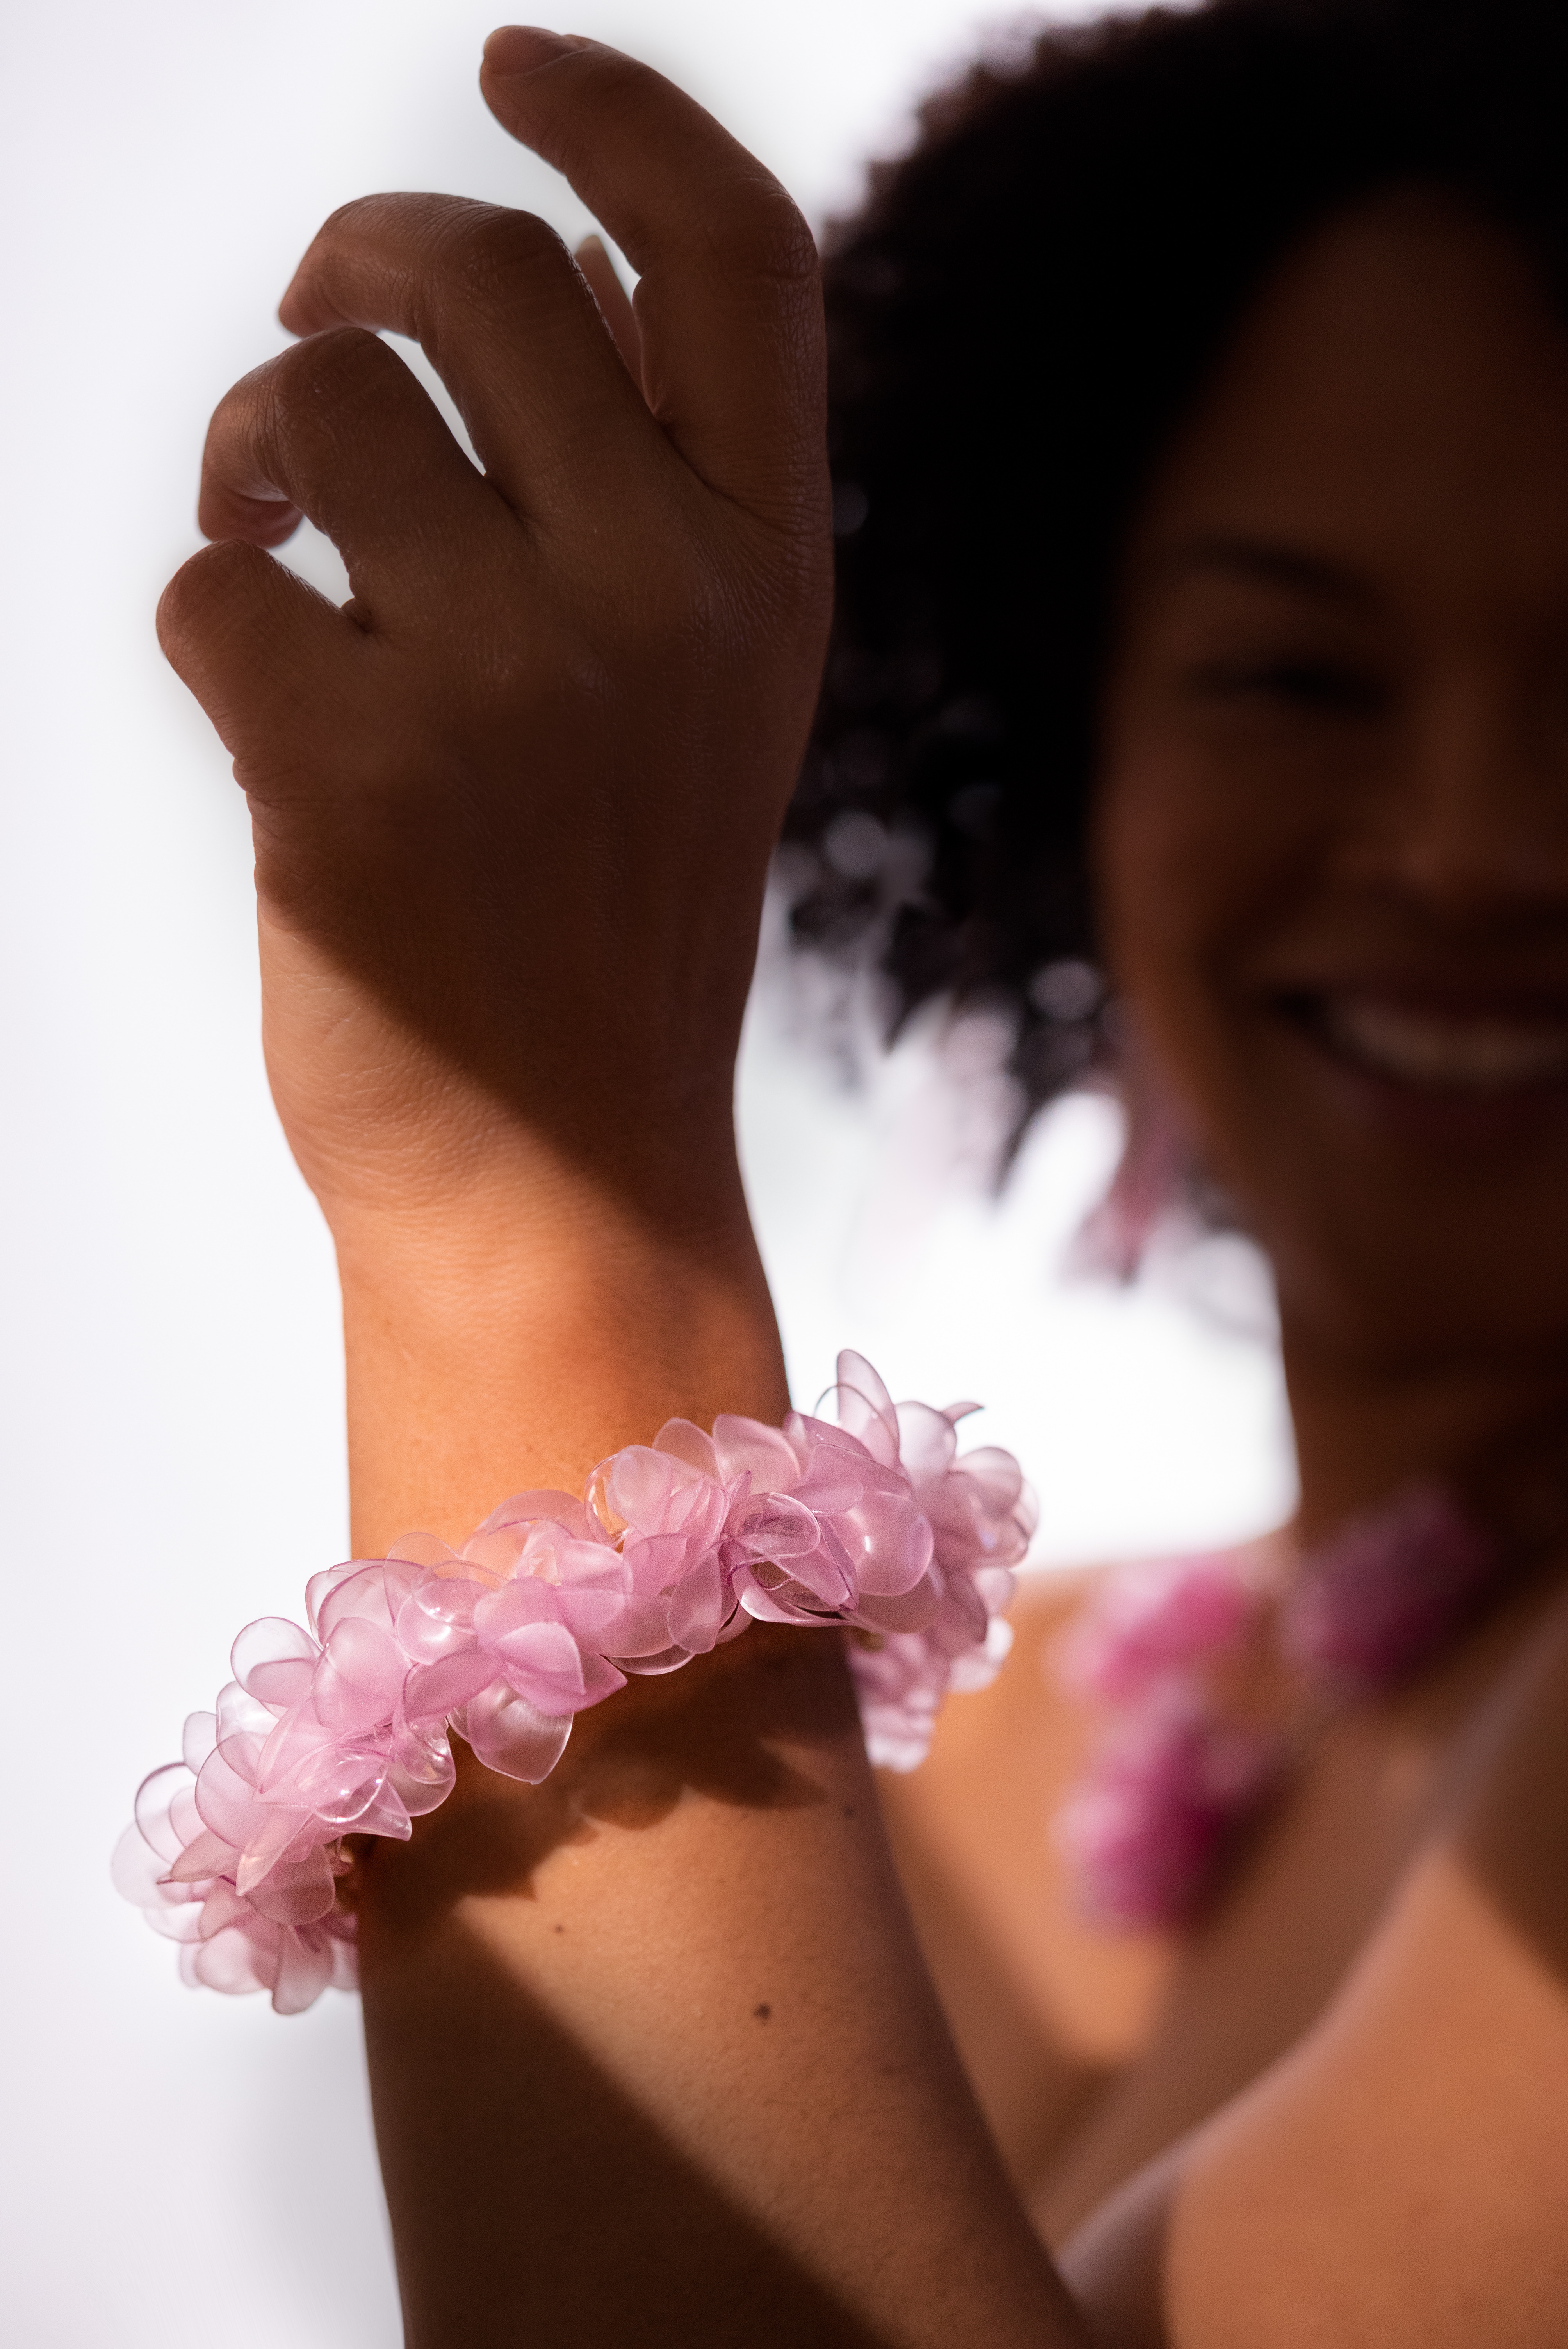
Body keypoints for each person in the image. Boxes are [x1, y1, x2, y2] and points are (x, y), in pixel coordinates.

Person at [146, 5, 1568, 2343]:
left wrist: (537, 1217)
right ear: (1045, 732)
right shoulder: (1006, 1747)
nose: (1473, 843)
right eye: (1293, 681)